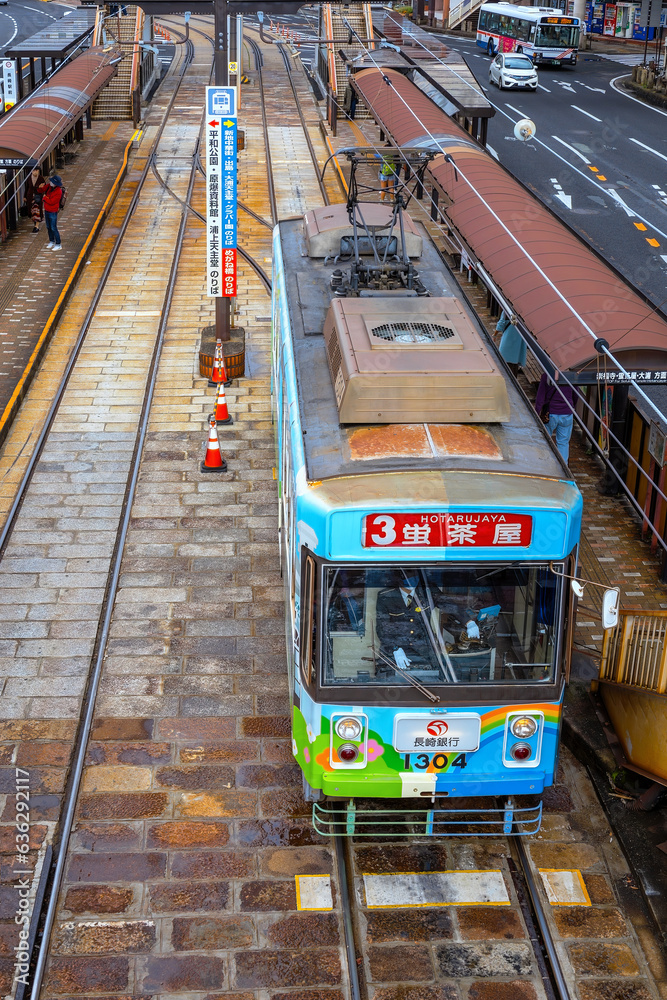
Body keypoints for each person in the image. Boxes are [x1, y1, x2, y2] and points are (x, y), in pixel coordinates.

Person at [375, 574, 432, 666]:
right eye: (407, 575)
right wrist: (395, 648)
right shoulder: (386, 596)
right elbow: (382, 628)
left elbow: (450, 604)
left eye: (413, 574)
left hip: (423, 652)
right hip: (394, 653)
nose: (410, 579)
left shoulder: (427, 592)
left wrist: (464, 622)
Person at [535, 371, 575, 464]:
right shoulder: (570, 376)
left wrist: (537, 412)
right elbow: (575, 394)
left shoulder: (546, 375)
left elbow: (540, 397)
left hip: (550, 413)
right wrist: (571, 408)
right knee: (563, 443)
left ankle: (545, 464)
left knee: (546, 441)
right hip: (567, 413)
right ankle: (563, 466)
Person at [496, 311, 526, 375]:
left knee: (504, 364)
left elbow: (501, 324)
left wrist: (495, 334)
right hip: (519, 341)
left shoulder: (507, 310)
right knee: (514, 365)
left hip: (507, 340)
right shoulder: (525, 311)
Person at [42, 175, 64, 251]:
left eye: (52, 182)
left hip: (53, 211)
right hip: (47, 210)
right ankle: (52, 241)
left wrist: (45, 198)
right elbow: (42, 190)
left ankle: (58, 243)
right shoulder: (49, 187)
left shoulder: (58, 191)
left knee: (53, 227)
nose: (50, 182)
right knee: (48, 227)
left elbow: (52, 201)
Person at [23, 168, 47, 235]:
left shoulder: (41, 178)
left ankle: (36, 226)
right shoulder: (29, 178)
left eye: (36, 170)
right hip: (30, 196)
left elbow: (44, 187)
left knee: (37, 210)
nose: (35, 172)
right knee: (31, 210)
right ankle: (35, 223)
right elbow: (27, 187)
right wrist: (25, 196)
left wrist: (43, 191)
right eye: (34, 170)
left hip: (38, 195)